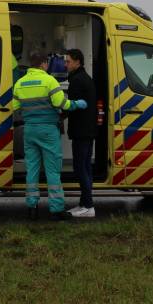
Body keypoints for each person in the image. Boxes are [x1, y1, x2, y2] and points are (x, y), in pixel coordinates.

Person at [13, 51, 87, 221]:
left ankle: (32, 208)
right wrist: (78, 104)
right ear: (44, 64)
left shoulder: (20, 83)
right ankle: (56, 209)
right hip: (48, 131)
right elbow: (61, 103)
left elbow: (16, 107)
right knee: (52, 170)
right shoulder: (49, 80)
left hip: (29, 130)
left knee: (31, 169)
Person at [64, 49, 97, 218]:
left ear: (77, 62)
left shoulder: (77, 80)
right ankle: (84, 203)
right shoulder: (86, 78)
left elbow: (72, 106)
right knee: (86, 168)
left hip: (81, 131)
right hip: (88, 131)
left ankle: (88, 205)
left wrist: (59, 115)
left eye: (68, 61)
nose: (66, 64)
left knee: (80, 168)